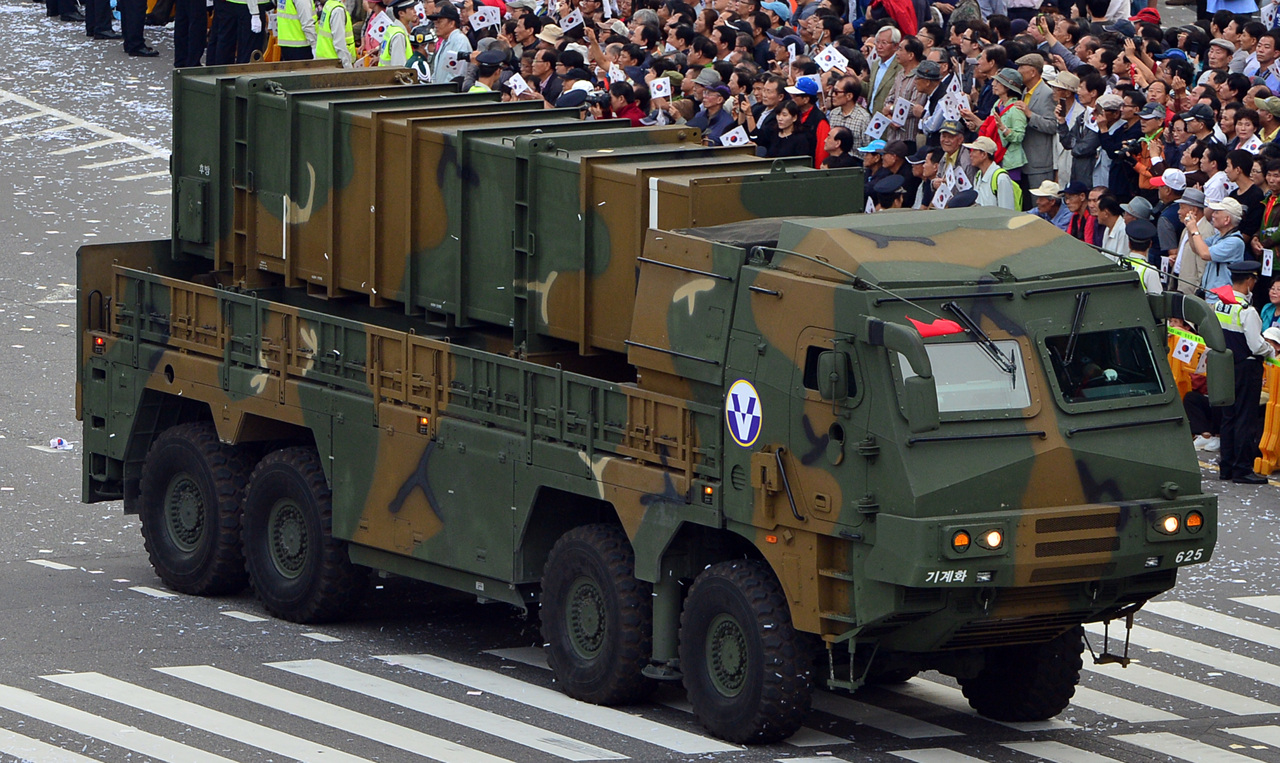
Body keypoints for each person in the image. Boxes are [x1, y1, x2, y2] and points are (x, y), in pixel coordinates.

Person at [1215, 259, 1276, 484]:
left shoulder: (1220, 304)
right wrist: (1270, 350)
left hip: (1225, 365)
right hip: (1246, 367)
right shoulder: (1246, 310)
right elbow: (1256, 345)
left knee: (1228, 416)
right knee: (1245, 419)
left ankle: (1227, 467)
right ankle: (1242, 469)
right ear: (1249, 282)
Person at [1192, 197, 1247, 302]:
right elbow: (1196, 248)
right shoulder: (1218, 237)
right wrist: (1190, 229)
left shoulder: (1234, 242)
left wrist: (1194, 229)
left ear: (1227, 219)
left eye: (1217, 212)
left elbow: (1205, 254)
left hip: (1221, 299)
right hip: (1210, 295)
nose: (1212, 215)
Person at [968, 135, 1020, 210]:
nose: (970, 154)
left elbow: (1007, 211)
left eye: (974, 151)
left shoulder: (1001, 178)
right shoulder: (978, 175)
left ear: (984, 155)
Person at [430, 2, 472, 84]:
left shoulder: (460, 41)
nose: (436, 26)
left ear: (451, 23)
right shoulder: (445, 41)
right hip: (440, 93)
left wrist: (444, 93)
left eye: (439, 22)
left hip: (450, 94)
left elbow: (456, 76)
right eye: (435, 22)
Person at [1123, 219, 1165, 295]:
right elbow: (1158, 301)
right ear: (1150, 244)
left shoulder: (1119, 263)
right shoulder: (1149, 270)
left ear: (1129, 244)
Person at [315, 0, 356, 67]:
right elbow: (339, 44)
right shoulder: (338, 10)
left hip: (326, 61)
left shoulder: (330, 4)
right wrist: (348, 68)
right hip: (335, 63)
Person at [379, 0, 414, 67]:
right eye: (411, 9)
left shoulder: (392, 28)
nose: (415, 12)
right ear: (401, 13)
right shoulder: (399, 35)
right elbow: (399, 66)